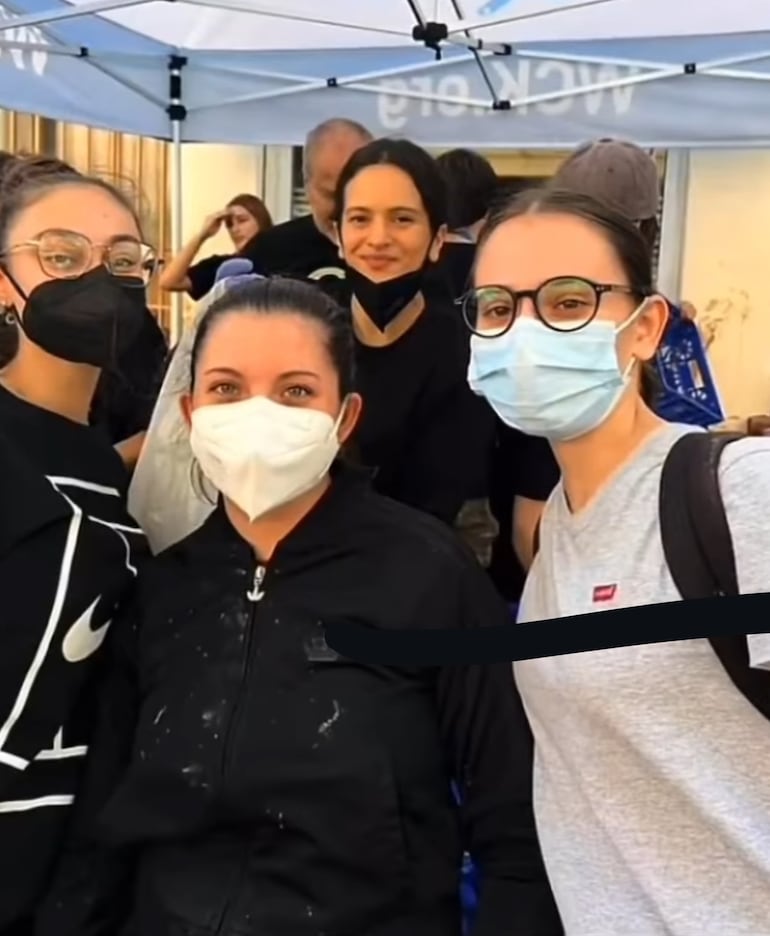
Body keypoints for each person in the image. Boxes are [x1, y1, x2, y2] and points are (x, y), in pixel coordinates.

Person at [39, 277, 561, 936]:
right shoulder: (161, 591)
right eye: (227, 388)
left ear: (343, 417)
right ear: (193, 414)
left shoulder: (426, 576)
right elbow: (102, 824)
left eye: (295, 391)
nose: (259, 414)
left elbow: (514, 820)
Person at [466, 185, 770, 936]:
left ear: (646, 327)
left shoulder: (739, 493)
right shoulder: (554, 541)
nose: (525, 330)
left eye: (568, 301)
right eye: (498, 307)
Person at [0, 155, 150, 931]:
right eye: (60, 256)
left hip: (67, 870)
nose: (97, 277)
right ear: (4, 281)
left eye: (123, 261)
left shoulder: (96, 456)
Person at [333, 137, 497, 549]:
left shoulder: (468, 356)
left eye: (402, 219)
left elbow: (451, 506)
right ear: (337, 235)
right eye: (359, 219)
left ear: (438, 239)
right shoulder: (305, 335)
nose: (378, 238)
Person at [159, 193, 273, 300]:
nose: (235, 229)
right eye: (229, 224)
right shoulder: (222, 267)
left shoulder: (281, 257)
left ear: (261, 220)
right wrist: (202, 235)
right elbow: (168, 281)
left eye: (242, 220)